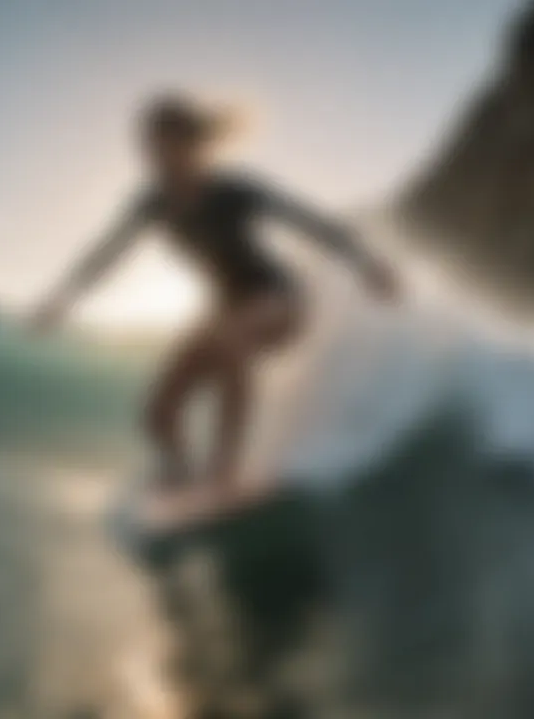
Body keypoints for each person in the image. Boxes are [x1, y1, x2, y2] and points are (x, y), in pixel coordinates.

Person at [31, 93, 398, 495]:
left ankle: (226, 471)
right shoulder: (152, 202)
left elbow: (310, 221)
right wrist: (63, 297)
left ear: (190, 146)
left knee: (230, 339)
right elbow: (106, 252)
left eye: (162, 147)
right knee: (157, 415)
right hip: (225, 310)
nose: (154, 160)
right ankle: (182, 476)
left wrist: (367, 263)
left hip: (279, 299)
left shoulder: (235, 190)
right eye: (148, 150)